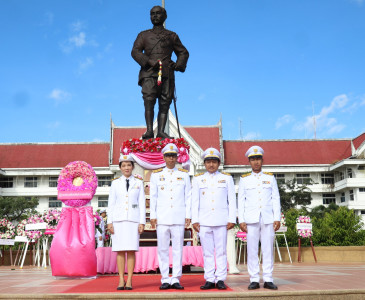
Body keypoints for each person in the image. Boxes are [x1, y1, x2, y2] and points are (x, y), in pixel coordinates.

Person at [131, 5, 189, 139]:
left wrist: (178, 65)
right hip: (149, 72)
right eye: (152, 14)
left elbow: (183, 52)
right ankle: (150, 130)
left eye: (158, 13)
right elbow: (135, 51)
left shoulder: (172, 36)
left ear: (165, 16)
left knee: (164, 102)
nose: (155, 16)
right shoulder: (143, 35)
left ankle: (161, 131)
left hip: (167, 73)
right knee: (149, 100)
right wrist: (149, 62)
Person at [191, 148, 236, 290]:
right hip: (204, 221)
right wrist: (195, 220)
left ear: (219, 163)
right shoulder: (198, 179)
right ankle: (210, 278)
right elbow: (195, 201)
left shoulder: (227, 178)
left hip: (221, 220)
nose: (211, 165)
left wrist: (232, 218)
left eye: (214, 162)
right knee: (207, 251)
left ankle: (221, 278)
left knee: (222, 251)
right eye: (208, 162)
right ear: (204, 163)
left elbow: (232, 200)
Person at [238, 146, 281, 290]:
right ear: (249, 162)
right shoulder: (244, 179)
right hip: (251, 219)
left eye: (258, 159)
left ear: (262, 160)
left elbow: (275, 198)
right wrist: (241, 219)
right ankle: (254, 279)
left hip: (268, 218)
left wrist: (277, 217)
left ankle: (268, 278)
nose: (256, 162)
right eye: (253, 159)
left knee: (268, 248)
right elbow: (241, 201)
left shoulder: (270, 177)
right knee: (251, 249)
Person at [150, 143, 192, 290]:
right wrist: (153, 215)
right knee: (162, 249)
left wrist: (188, 215)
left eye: (173, 156)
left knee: (178, 249)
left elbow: (188, 197)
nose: (171, 159)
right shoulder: (156, 175)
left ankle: (175, 278)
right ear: (164, 157)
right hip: (162, 217)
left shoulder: (183, 175)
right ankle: (164, 278)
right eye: (168, 156)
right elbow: (153, 197)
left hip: (179, 217)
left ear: (177, 157)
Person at [107, 154, 146, 290]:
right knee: (119, 250)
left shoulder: (139, 182)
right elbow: (111, 204)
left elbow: (141, 203)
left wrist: (142, 222)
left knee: (131, 250)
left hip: (133, 220)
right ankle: (120, 279)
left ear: (133, 167)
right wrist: (109, 222)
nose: (126, 168)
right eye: (123, 165)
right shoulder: (115, 183)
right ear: (120, 168)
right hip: (118, 220)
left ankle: (129, 279)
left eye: (129, 165)